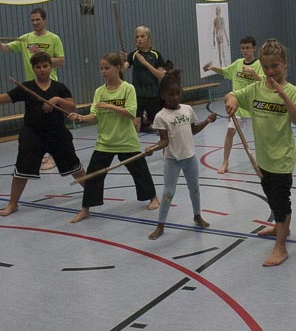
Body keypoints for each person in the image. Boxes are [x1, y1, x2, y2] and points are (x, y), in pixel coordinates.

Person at [225, 38, 296, 266]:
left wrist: (285, 98)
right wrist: (232, 101)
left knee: (280, 201)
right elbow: (232, 95)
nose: (271, 71)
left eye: (275, 66)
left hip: (282, 159)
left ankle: (280, 247)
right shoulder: (255, 89)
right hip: (262, 158)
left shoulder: (293, 92)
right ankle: (281, 228)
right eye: (266, 67)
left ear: (284, 64)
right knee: (271, 196)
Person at [0, 51, 84, 217]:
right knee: (22, 169)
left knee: (74, 166)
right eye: (38, 67)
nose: (42, 69)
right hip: (32, 134)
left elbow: (71, 106)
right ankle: (13, 204)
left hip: (57, 134)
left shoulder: (59, 87)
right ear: (33, 68)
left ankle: (92, 193)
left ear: (51, 67)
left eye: (45, 66)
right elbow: (8, 97)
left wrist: (56, 100)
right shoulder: (27, 87)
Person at [67, 53, 160, 223]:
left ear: (118, 68)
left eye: (107, 68)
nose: (103, 71)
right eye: (101, 68)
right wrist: (80, 118)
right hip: (105, 142)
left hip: (126, 140)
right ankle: (85, 208)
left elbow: (131, 112)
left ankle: (153, 197)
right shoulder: (99, 91)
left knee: (140, 171)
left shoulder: (128, 88)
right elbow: (95, 116)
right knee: (93, 175)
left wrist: (109, 106)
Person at [0, 7, 65, 170]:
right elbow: (6, 48)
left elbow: (61, 61)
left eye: (38, 19)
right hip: (31, 86)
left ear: (44, 20)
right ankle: (41, 152)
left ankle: (54, 155)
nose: (35, 22)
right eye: (32, 20)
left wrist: (42, 54)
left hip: (50, 83)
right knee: (36, 119)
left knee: (52, 120)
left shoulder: (54, 38)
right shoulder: (25, 38)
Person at [146, 70, 217, 239]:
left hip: (189, 157)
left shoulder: (187, 109)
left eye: (178, 93)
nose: (175, 97)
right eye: (171, 94)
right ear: (163, 96)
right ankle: (160, 225)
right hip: (172, 160)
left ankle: (197, 215)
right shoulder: (161, 116)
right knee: (168, 193)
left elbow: (193, 130)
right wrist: (153, 148)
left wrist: (206, 121)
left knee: (195, 189)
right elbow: (164, 141)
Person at [203, 35, 264, 174]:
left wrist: (252, 72)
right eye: (243, 48)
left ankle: (262, 162)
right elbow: (225, 71)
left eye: (248, 48)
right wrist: (211, 68)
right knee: (230, 132)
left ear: (254, 48)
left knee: (260, 136)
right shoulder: (238, 63)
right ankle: (225, 162)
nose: (245, 51)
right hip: (238, 106)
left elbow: (263, 83)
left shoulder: (259, 65)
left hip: (254, 106)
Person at [122, 26, 166, 133]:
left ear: (149, 38)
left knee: (158, 125)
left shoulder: (156, 55)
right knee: (135, 124)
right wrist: (121, 62)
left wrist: (145, 63)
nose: (139, 39)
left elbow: (161, 75)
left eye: (142, 36)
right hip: (137, 94)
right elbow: (121, 72)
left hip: (153, 94)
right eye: (137, 37)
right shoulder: (133, 55)